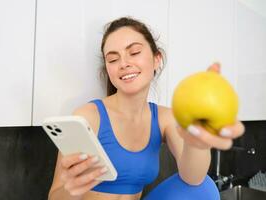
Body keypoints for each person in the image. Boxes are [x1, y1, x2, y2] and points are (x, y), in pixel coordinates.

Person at [48, 17, 245, 200]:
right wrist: (73, 186)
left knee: (205, 188)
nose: (124, 64)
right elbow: (55, 196)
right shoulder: (88, 116)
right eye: (113, 59)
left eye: (134, 52)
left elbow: (193, 179)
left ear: (156, 59)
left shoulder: (163, 118)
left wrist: (198, 143)